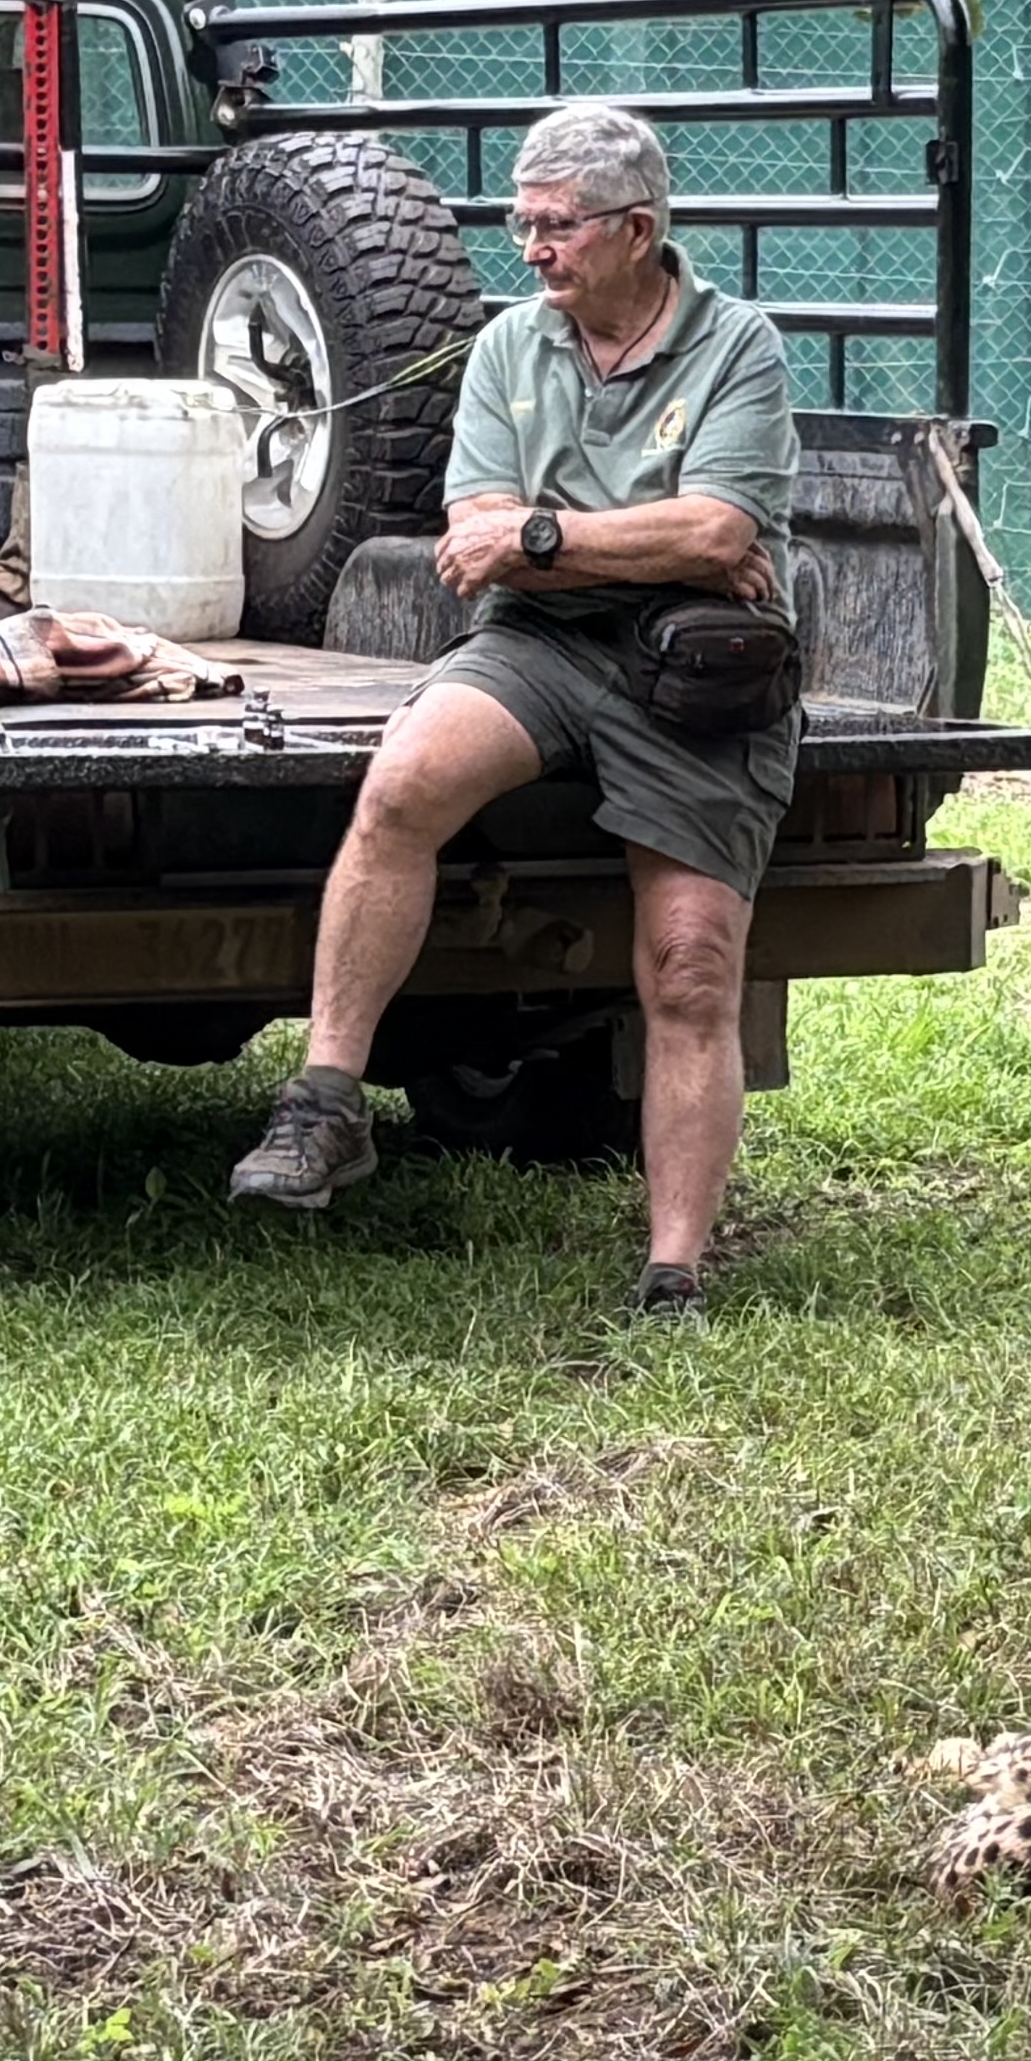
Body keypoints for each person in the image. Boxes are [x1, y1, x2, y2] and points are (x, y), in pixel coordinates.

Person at [228, 100, 796, 1308]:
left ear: (635, 230)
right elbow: (474, 541)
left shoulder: (739, 344)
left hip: (696, 670)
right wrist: (619, 542)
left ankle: (674, 1271)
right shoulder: (508, 346)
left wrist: (547, 534)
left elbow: (720, 533)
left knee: (692, 965)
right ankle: (328, 1100)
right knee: (402, 782)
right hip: (537, 647)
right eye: (521, 222)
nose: (531, 249)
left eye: (556, 226)